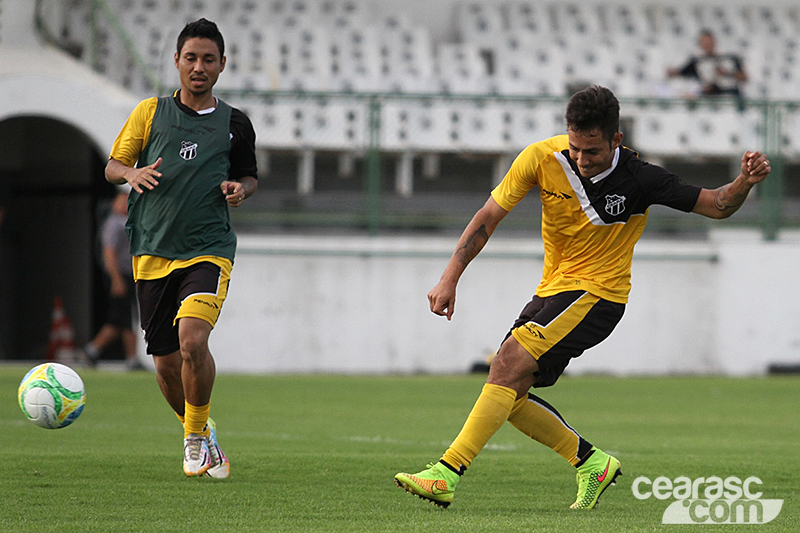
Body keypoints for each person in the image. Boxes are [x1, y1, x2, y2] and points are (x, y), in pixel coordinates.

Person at [394, 85, 770, 509]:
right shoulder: (541, 158)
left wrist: (745, 181)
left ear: (616, 140)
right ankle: (592, 463)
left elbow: (717, 205)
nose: (581, 159)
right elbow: (489, 215)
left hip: (599, 295)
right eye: (575, 147)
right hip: (553, 290)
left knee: (506, 363)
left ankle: (446, 474)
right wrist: (450, 277)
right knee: (508, 392)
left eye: (592, 151)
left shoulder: (641, 178)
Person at [105, 18, 258, 478]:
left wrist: (240, 189)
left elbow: (249, 176)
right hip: (152, 249)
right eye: (190, 58)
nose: (198, 67)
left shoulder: (235, 123)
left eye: (208, 59)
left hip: (208, 248)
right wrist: (131, 173)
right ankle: (204, 432)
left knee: (193, 340)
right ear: (176, 60)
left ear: (222, 65)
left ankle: (193, 439)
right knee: (167, 365)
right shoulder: (150, 112)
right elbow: (113, 165)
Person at [83, 186, 144, 370]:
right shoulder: (114, 224)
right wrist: (116, 279)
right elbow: (109, 253)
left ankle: (95, 351)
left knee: (122, 318)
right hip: (120, 275)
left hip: (127, 275)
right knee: (123, 317)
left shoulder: (125, 221)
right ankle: (97, 351)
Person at [667, 29, 748, 98]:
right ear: (700, 44)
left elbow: (744, 77)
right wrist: (671, 71)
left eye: (709, 41)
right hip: (709, 96)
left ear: (714, 42)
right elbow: (678, 73)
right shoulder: (696, 61)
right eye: (704, 42)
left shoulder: (729, 58)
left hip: (730, 94)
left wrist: (727, 73)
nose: (707, 44)